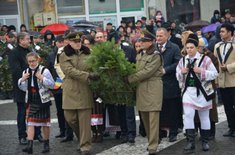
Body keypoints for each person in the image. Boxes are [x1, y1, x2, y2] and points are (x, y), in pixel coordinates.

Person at [176, 34, 218, 154]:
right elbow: (177, 75)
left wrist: (201, 71)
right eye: (187, 48)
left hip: (203, 92)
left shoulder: (205, 59)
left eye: (191, 47)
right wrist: (181, 73)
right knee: (188, 115)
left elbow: (215, 74)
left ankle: (205, 141)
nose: (189, 50)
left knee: (204, 116)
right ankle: (190, 142)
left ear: (196, 47)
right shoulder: (182, 60)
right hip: (188, 92)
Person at [59, 32, 99, 155]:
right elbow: (69, 71)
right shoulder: (64, 55)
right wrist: (88, 75)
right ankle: (82, 138)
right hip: (70, 89)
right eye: (75, 42)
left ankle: (85, 146)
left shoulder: (88, 53)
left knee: (84, 121)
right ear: (69, 42)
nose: (77, 44)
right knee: (71, 119)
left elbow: (95, 67)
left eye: (79, 41)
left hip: (85, 89)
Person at [127, 32, 164, 155]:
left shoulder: (156, 55)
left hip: (153, 87)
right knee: (144, 117)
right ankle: (152, 139)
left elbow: (147, 72)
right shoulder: (140, 54)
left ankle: (153, 145)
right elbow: (136, 69)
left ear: (151, 42)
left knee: (153, 117)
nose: (141, 43)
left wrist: (130, 78)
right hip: (141, 88)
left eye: (144, 41)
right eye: (140, 41)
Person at [8, 32, 43, 145]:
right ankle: (22, 136)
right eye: (27, 39)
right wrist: (29, 74)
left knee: (36, 111)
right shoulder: (14, 53)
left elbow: (37, 64)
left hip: (34, 86)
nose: (29, 41)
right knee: (22, 112)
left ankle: (37, 134)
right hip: (21, 87)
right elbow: (16, 70)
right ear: (20, 40)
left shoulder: (30, 51)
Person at [18, 52, 54, 154]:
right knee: (30, 122)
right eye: (29, 61)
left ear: (37, 60)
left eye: (33, 61)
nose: (32, 63)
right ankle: (30, 146)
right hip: (30, 98)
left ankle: (46, 144)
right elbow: (23, 88)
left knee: (45, 123)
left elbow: (52, 85)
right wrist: (22, 80)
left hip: (42, 99)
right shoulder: (26, 71)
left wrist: (42, 78)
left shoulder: (44, 70)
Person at [46, 34, 74, 142]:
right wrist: (53, 83)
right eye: (60, 42)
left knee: (68, 110)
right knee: (59, 110)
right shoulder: (51, 55)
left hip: (68, 84)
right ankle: (62, 130)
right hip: (57, 87)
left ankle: (69, 133)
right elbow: (49, 70)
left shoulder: (68, 53)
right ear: (56, 43)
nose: (61, 44)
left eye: (63, 42)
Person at [156, 27, 182, 142]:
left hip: (171, 84)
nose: (158, 38)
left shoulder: (174, 47)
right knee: (161, 110)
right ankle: (161, 132)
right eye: (157, 36)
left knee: (172, 110)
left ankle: (173, 132)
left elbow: (178, 63)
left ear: (166, 36)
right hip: (157, 85)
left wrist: (166, 70)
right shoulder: (154, 48)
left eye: (161, 36)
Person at [194, 38, 219, 140]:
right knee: (198, 110)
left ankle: (211, 133)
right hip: (196, 86)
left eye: (199, 47)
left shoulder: (210, 56)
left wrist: (202, 71)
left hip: (208, 86)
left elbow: (215, 70)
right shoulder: (193, 57)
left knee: (210, 111)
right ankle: (203, 133)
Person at [214, 23, 235, 137]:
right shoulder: (217, 46)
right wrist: (216, 80)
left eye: (223, 31)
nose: (220, 33)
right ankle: (231, 127)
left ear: (230, 32)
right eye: (220, 31)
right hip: (222, 82)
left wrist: (228, 67)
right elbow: (215, 64)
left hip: (233, 80)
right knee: (227, 106)